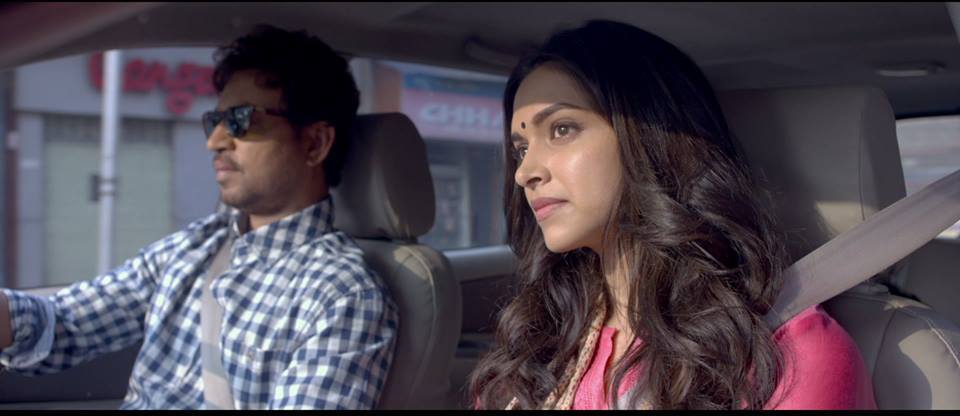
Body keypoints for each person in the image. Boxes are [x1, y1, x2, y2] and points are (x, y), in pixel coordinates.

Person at [469, 20, 876, 410]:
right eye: (521, 149)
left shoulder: (789, 354)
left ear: (649, 139)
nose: (525, 172)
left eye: (562, 129)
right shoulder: (539, 348)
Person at [0, 25, 398, 410]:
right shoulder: (198, 246)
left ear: (315, 143)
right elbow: (66, 323)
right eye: (215, 121)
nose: (214, 141)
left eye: (241, 119)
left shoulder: (341, 294)